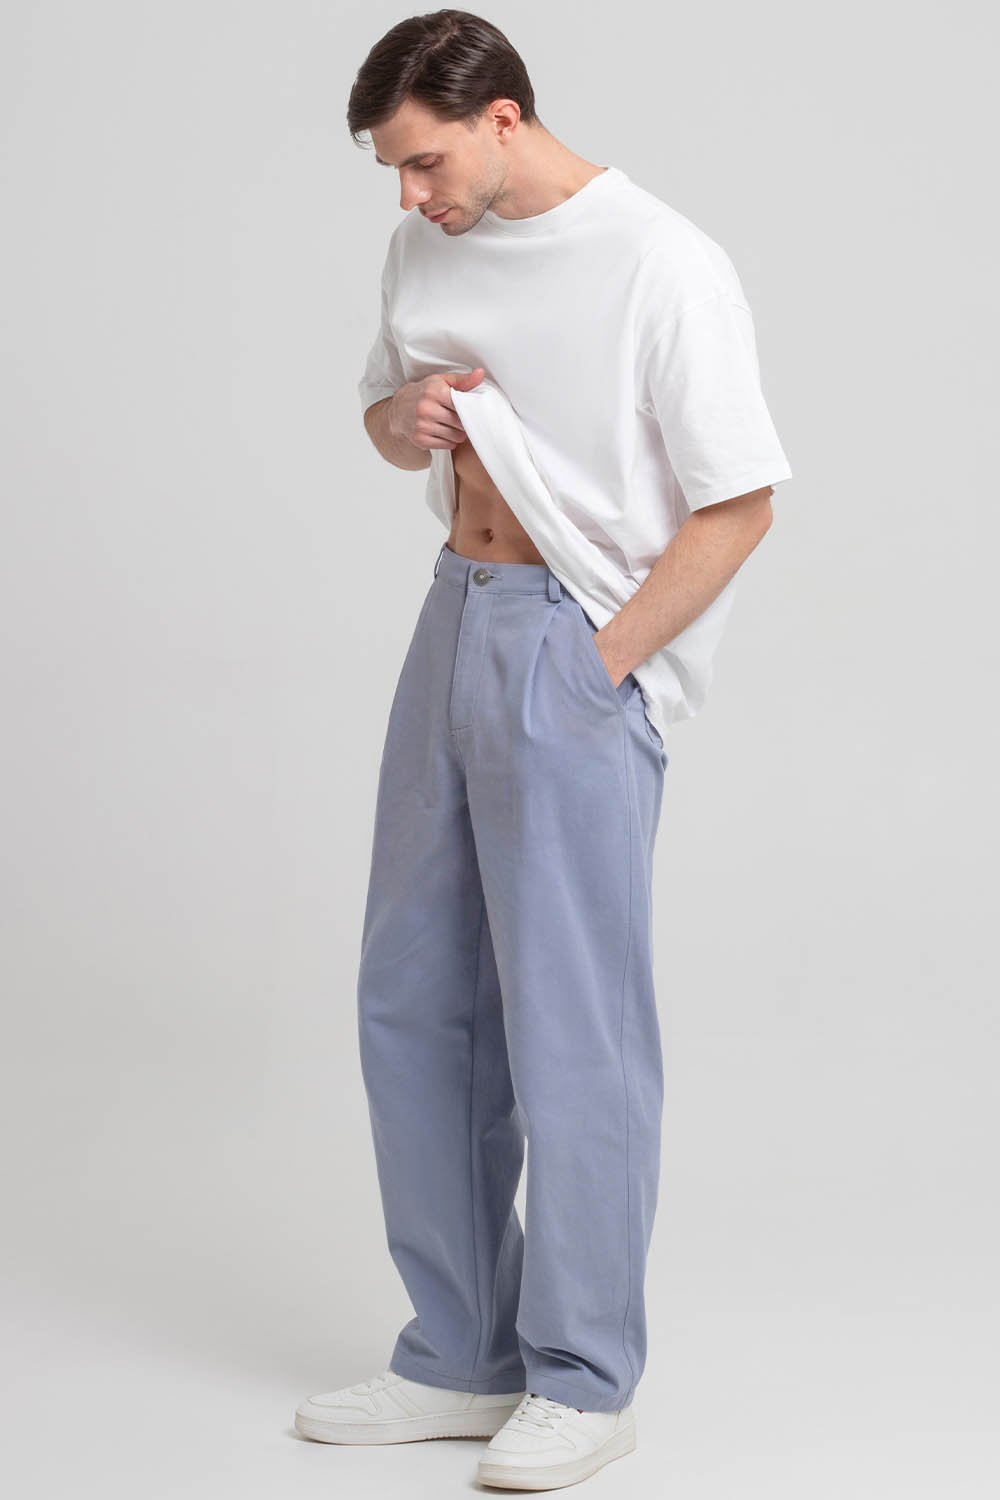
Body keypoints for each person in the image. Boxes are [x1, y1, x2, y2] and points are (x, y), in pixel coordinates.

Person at [294, 10, 792, 1491]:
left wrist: (605, 662)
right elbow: (387, 423)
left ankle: (584, 1377)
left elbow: (742, 499)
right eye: (393, 172)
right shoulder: (424, 245)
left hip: (571, 640)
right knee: (414, 997)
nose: (410, 196)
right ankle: (459, 1353)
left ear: (501, 117)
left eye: (426, 163)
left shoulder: (662, 262)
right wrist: (403, 417)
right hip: (451, 614)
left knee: (573, 1022)